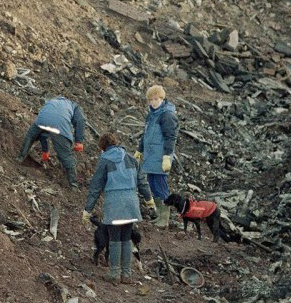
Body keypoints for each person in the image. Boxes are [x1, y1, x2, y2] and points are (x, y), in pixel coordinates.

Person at [83, 132, 156, 284]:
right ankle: (127, 274)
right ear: (116, 143)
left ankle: (114, 274)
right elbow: (142, 182)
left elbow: (96, 187)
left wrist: (87, 209)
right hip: (131, 204)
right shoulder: (131, 158)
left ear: (103, 147)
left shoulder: (104, 160)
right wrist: (150, 201)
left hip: (114, 204)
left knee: (115, 239)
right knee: (126, 238)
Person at [17, 96, 86, 188]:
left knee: (30, 137)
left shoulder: (52, 101)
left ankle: (20, 158)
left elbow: (45, 132)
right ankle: (73, 184)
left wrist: (45, 151)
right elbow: (80, 121)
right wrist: (79, 141)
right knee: (66, 156)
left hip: (41, 121)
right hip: (59, 126)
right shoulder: (75, 106)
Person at [135, 85, 178, 228]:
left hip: (160, 157)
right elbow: (145, 135)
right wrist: (140, 150)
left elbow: (170, 137)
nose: (153, 102)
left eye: (156, 99)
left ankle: (164, 219)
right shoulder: (151, 115)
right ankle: (160, 215)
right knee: (153, 184)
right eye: (151, 100)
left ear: (162, 98)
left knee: (161, 185)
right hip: (150, 156)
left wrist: (167, 156)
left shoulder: (167, 115)